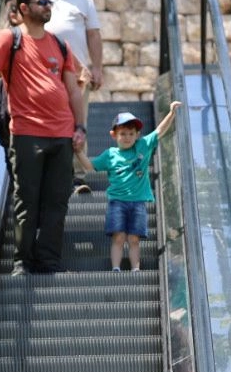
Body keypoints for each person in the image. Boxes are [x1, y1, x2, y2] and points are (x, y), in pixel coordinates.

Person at [0, 0, 88, 274]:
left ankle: (49, 262)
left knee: (57, 202)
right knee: (27, 201)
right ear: (23, 8)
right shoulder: (9, 38)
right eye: (42, 2)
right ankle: (23, 263)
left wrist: (80, 126)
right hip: (27, 132)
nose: (48, 6)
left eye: (49, 2)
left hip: (62, 134)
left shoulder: (60, 45)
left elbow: (73, 90)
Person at [75, 102, 180, 272]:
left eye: (131, 134)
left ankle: (135, 269)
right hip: (117, 202)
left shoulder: (142, 146)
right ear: (113, 135)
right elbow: (89, 167)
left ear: (137, 135)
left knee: (134, 239)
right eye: (122, 133)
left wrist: (171, 113)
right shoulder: (110, 154)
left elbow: (159, 131)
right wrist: (79, 152)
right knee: (118, 237)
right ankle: (116, 267)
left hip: (138, 203)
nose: (127, 137)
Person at [41, 0, 103, 197]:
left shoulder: (82, 0)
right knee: (45, 125)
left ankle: (76, 178)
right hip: (41, 76)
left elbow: (93, 35)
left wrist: (97, 67)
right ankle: (48, 177)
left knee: (78, 123)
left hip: (76, 76)